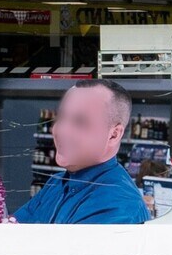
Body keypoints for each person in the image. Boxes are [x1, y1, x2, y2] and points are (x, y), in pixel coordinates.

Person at [12, 79, 149, 225]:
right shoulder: (56, 182)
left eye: (80, 122)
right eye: (62, 117)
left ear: (113, 135)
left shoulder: (119, 205)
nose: (61, 131)